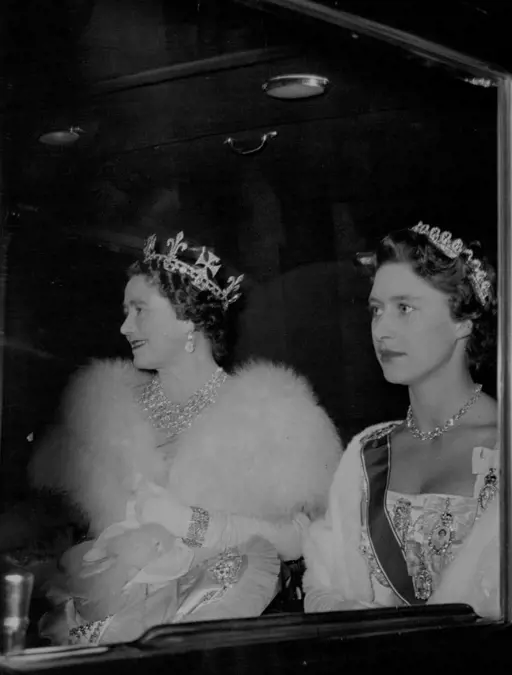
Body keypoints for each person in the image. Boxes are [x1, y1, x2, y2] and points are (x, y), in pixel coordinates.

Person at [24, 231, 342, 645]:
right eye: (125, 311)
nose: (124, 327)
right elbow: (52, 527)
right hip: (98, 623)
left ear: (187, 315)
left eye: (140, 310)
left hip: (213, 633)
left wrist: (193, 524)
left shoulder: (271, 414)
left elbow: (300, 539)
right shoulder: (105, 410)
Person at [303, 221, 499, 617]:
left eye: (405, 308)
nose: (382, 330)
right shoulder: (366, 452)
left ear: (463, 320)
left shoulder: (504, 444)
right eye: (377, 310)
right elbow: (322, 587)